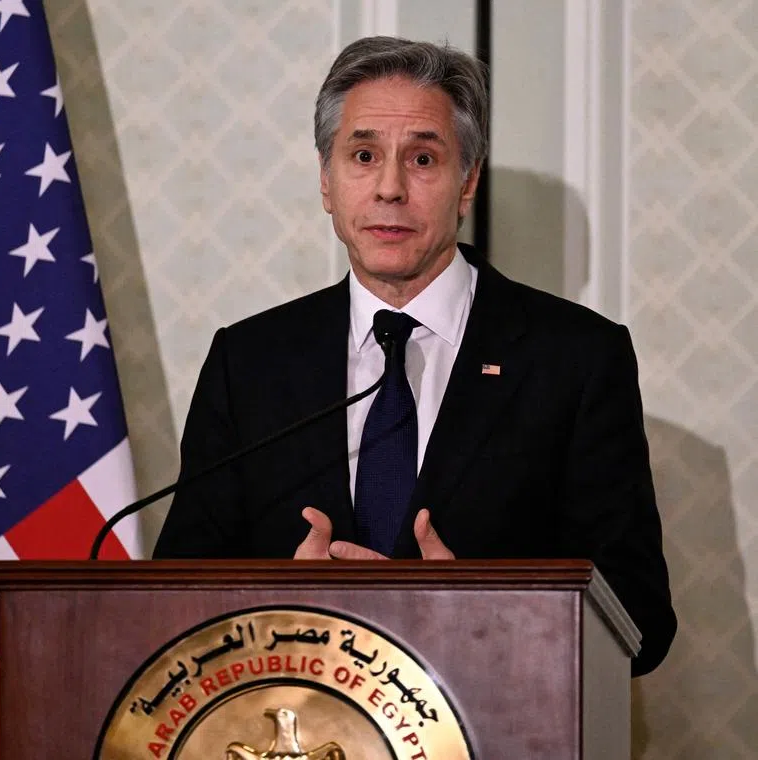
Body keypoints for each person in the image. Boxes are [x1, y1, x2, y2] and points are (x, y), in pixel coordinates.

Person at [152, 36, 675, 676]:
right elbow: (169, 598)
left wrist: (479, 614)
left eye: (423, 158)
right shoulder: (250, 360)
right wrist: (275, 604)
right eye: (364, 155)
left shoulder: (575, 359)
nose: (389, 188)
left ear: (467, 182)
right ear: (326, 179)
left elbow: (641, 621)